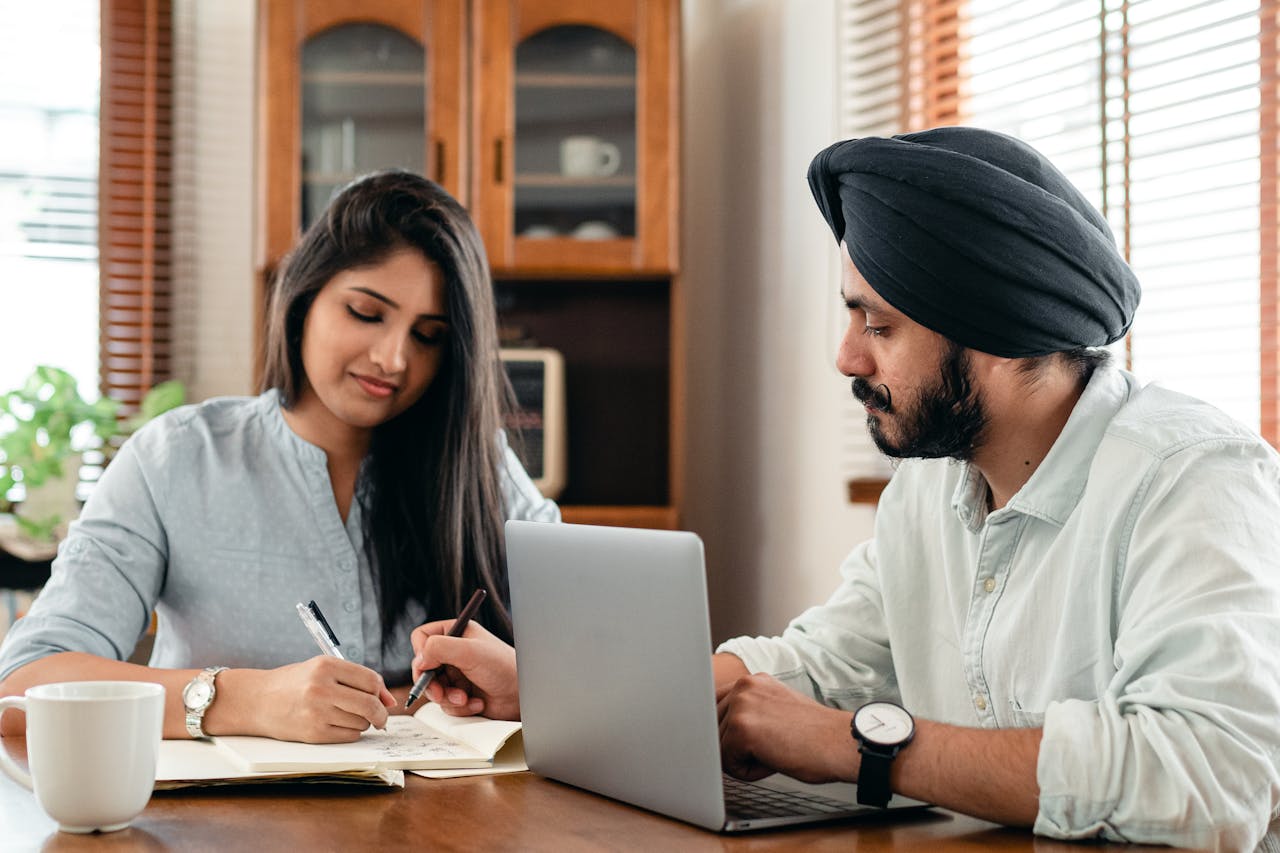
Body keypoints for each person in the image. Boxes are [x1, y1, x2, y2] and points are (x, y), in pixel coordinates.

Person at [405, 128, 1280, 849]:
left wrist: (856, 748)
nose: (847, 355)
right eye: (851, 313)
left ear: (1005, 336)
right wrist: (564, 693)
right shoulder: (929, 490)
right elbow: (824, 665)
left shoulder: (1195, 478)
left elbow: (1212, 774)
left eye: (880, 324)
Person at [0, 170, 558, 744]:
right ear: (304, 296)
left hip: (450, 825)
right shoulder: (176, 458)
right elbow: (22, 685)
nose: (393, 358)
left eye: (429, 336)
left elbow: (614, 661)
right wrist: (247, 700)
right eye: (367, 313)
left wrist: (530, 686)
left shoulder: (482, 470)